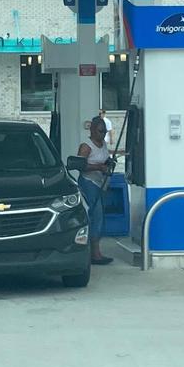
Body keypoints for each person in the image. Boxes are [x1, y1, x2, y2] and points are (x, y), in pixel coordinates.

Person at [77, 113, 114, 265]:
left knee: (100, 217)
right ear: (92, 130)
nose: (103, 134)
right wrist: (99, 167)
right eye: (100, 131)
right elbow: (80, 166)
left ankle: (95, 251)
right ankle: (94, 253)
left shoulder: (103, 144)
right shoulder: (86, 146)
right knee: (96, 216)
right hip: (88, 184)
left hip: (101, 184)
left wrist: (108, 163)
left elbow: (104, 159)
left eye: (104, 131)